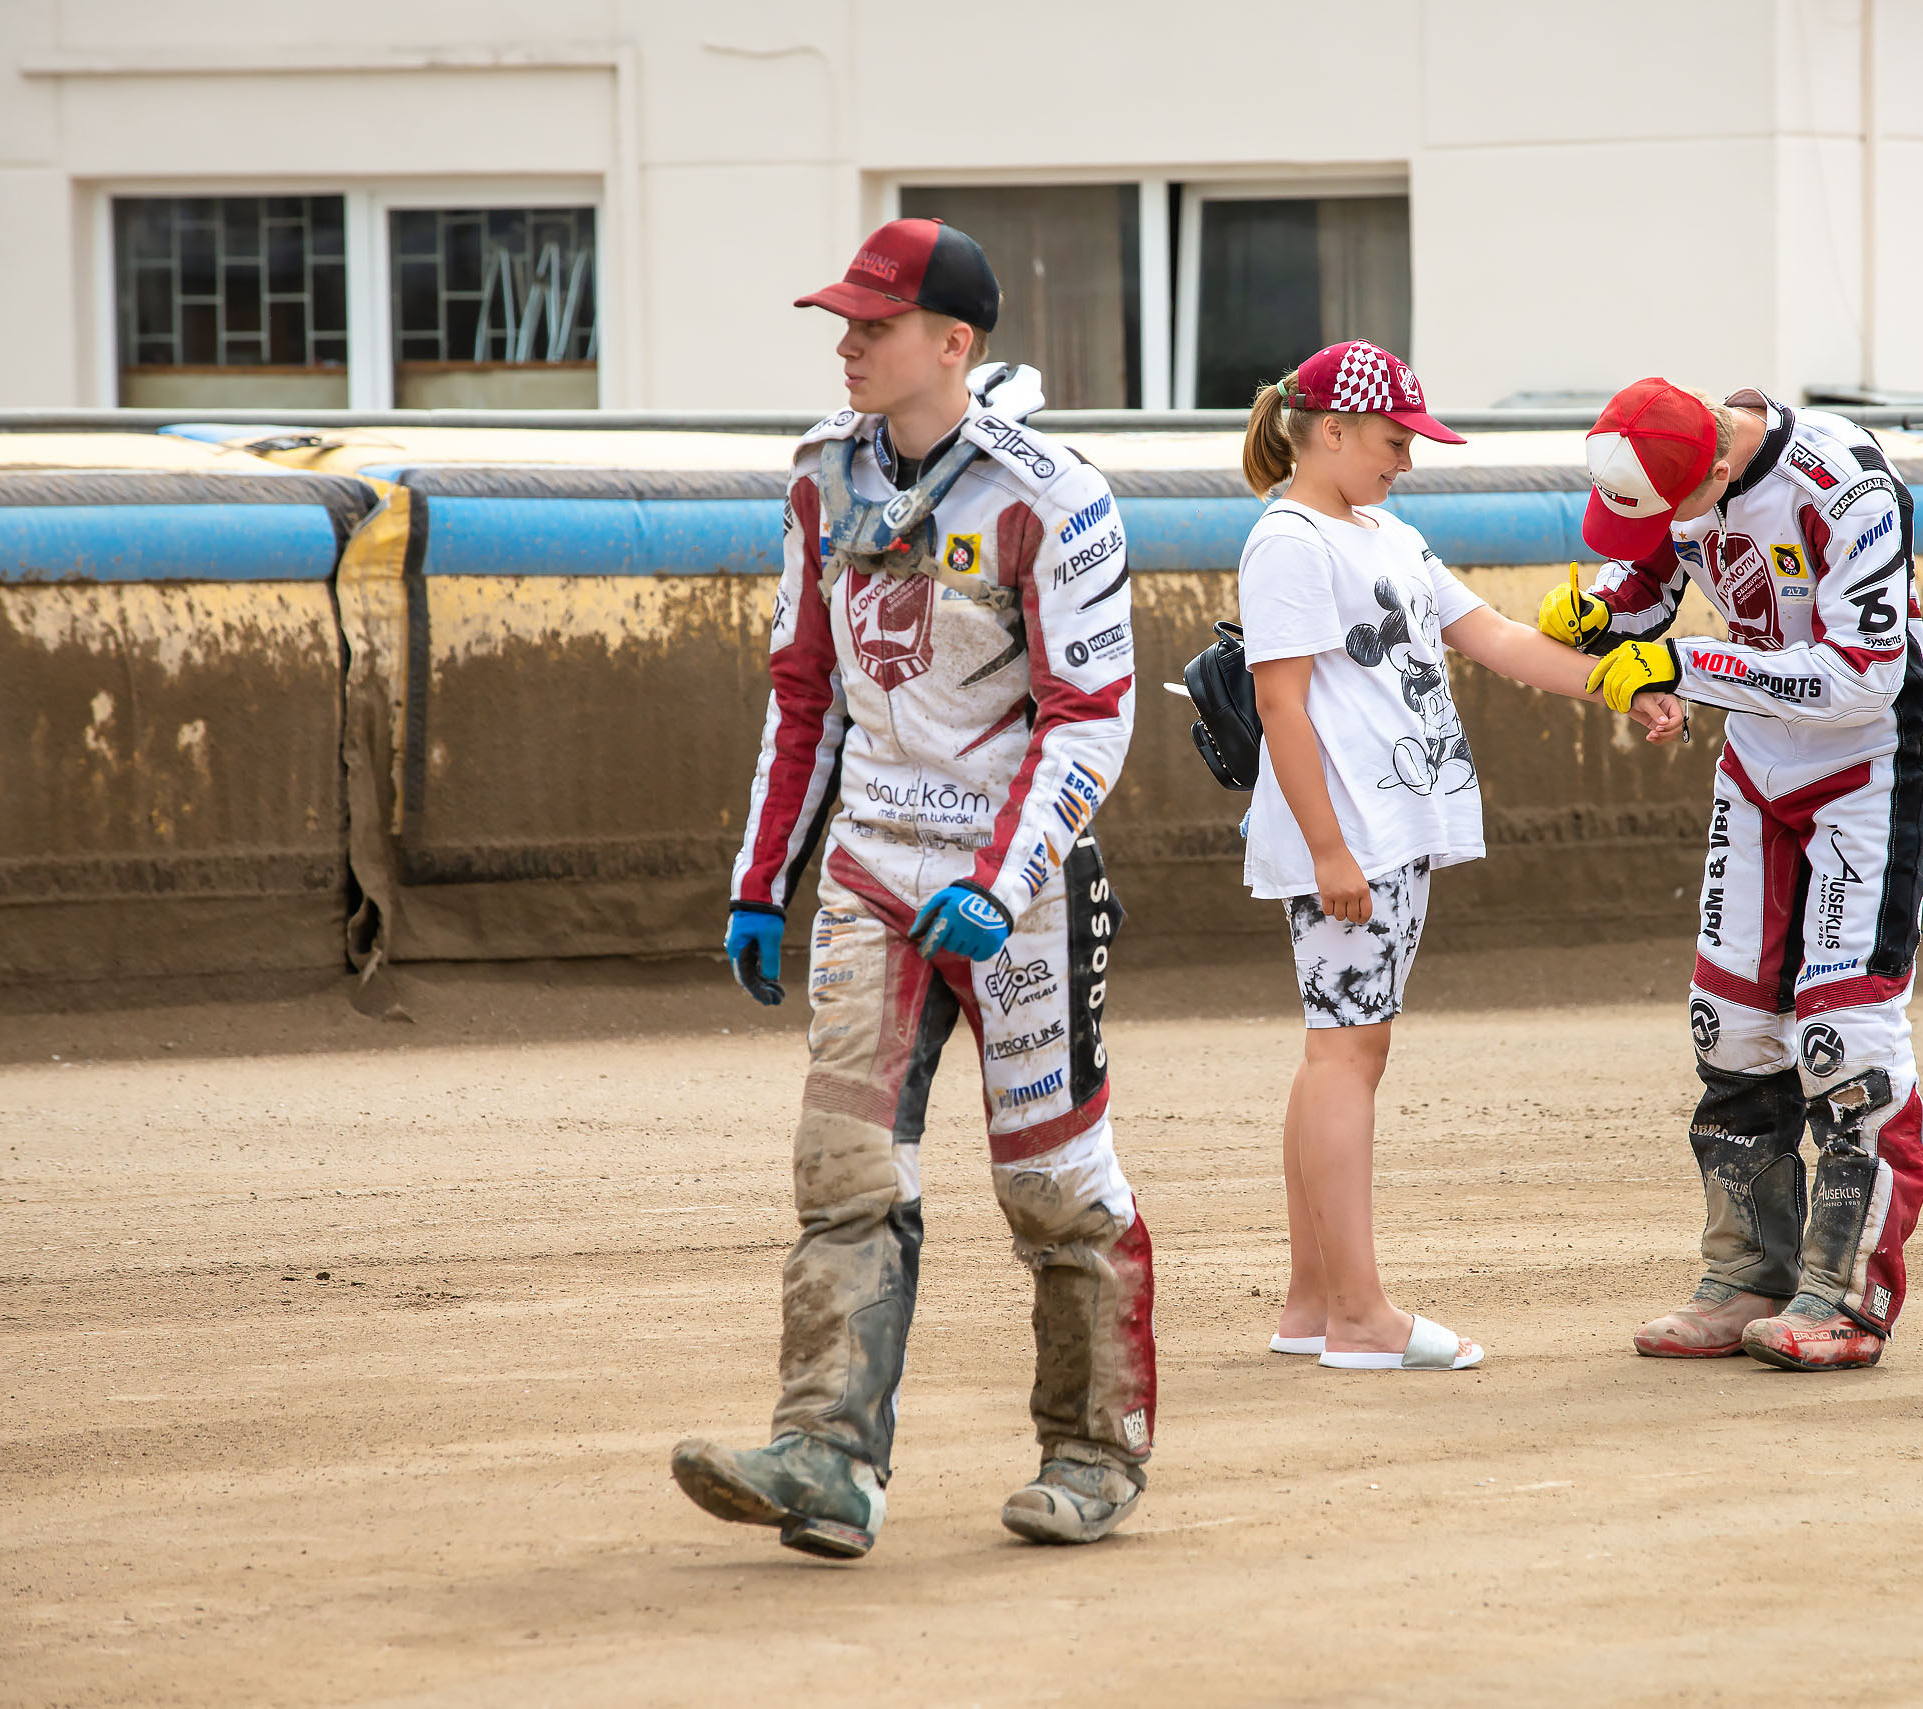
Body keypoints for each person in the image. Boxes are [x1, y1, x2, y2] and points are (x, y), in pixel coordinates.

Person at [670, 217, 1155, 1558]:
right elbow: (804, 690)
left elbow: (1091, 716)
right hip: (871, 874)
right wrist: (762, 880)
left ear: (954, 342)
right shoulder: (820, 478)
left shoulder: (1056, 496)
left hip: (1021, 889)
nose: (847, 344)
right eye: (845, 322)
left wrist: (1002, 881)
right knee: (843, 1168)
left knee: (1053, 1181)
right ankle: (827, 1458)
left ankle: (1095, 1449)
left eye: (874, 325)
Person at [1238, 340, 1633, 1373]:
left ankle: (1314, 1303)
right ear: (1330, 431)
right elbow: (1279, 702)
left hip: (1387, 831)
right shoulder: (1290, 541)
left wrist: (1623, 684)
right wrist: (1329, 849)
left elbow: (1493, 636)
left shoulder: (1387, 533)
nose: (1406, 459)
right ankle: (1358, 1315)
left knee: (1339, 1048)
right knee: (1346, 1052)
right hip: (1351, 839)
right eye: (1393, 440)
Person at [1543, 379, 1923, 1372]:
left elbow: (1864, 676)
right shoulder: (1670, 460)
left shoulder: (1844, 487)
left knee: (1843, 1036)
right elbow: (1645, 580)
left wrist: (1685, 667)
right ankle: (1748, 1274)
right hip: (1757, 760)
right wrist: (1600, 615)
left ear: (1717, 466)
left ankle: (1846, 1298)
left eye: (1669, 507)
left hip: (1867, 766)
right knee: (1729, 1025)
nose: (1658, 528)